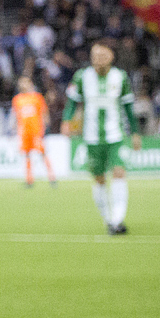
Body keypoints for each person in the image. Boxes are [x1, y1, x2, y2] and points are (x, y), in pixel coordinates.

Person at [63, 42, 142, 235]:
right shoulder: (82, 76)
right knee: (99, 179)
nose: (98, 59)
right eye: (95, 55)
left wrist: (135, 132)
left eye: (102, 55)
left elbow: (128, 108)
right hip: (91, 138)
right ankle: (109, 219)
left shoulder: (120, 77)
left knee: (119, 172)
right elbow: (72, 102)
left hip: (115, 136)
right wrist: (66, 120)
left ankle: (117, 219)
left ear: (111, 57)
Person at [11, 76, 56, 187]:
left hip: (36, 131)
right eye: (21, 83)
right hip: (24, 132)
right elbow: (16, 115)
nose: (23, 85)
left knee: (42, 153)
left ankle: (52, 177)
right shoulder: (17, 99)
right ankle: (29, 179)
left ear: (30, 84)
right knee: (27, 154)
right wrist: (14, 128)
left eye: (25, 83)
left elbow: (44, 113)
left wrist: (46, 127)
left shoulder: (37, 97)